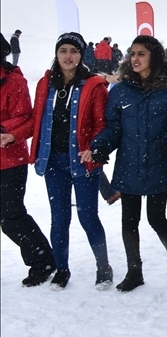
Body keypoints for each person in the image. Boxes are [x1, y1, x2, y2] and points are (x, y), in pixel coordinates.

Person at [85, 35, 167, 291]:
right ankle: (135, 272)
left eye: (141, 54)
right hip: (129, 163)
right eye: (132, 53)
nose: (135, 58)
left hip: (158, 161)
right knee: (129, 221)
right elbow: (113, 127)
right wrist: (100, 146)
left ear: (153, 56)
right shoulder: (120, 90)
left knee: (156, 218)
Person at [30, 32, 112, 289]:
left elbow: (101, 124)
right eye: (63, 50)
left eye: (73, 51)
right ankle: (62, 269)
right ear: (56, 54)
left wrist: (94, 148)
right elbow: (36, 119)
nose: (68, 56)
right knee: (59, 217)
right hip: (53, 161)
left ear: (81, 55)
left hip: (82, 162)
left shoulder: (93, 85)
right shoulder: (45, 84)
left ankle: (103, 266)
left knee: (88, 217)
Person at [0, 33, 56, 287]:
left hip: (9, 160)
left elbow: (25, 117)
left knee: (11, 216)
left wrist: (4, 131)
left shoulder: (14, 81)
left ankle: (43, 260)